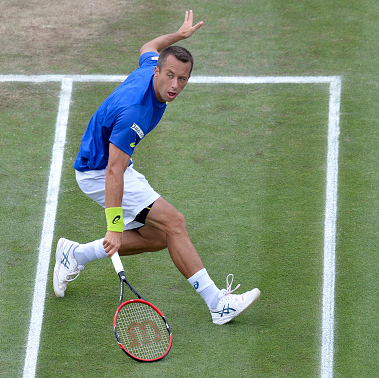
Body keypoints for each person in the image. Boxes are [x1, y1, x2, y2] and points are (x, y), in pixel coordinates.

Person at [53, 11, 260, 325]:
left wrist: (179, 36)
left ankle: (77, 254)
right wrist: (114, 226)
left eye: (183, 79)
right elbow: (113, 171)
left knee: (161, 237)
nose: (175, 85)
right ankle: (218, 304)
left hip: (111, 165)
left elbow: (148, 45)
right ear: (159, 71)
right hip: (98, 172)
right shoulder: (135, 111)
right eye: (170, 76)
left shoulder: (151, 65)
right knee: (175, 223)